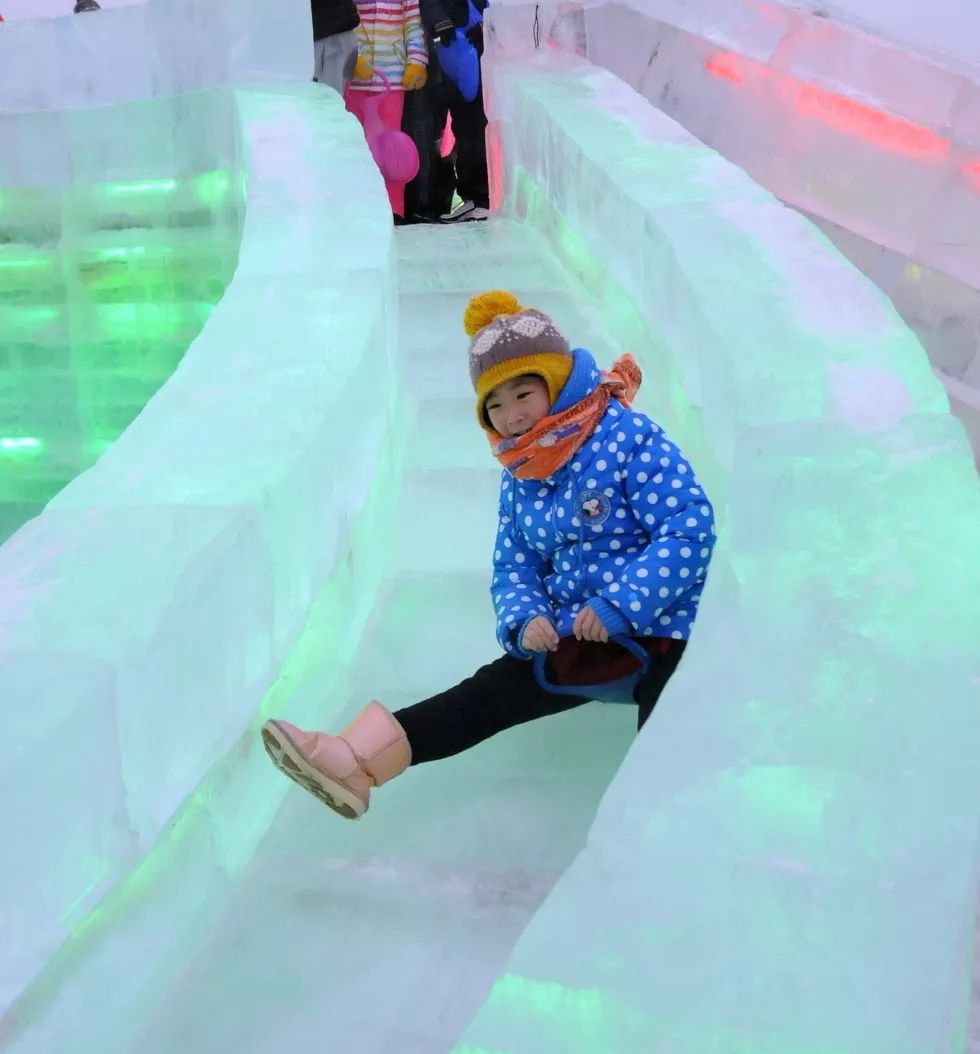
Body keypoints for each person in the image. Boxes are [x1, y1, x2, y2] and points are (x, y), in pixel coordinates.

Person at [261, 290, 716, 820]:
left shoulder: (627, 437)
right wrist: (525, 619)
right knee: (491, 693)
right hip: (581, 634)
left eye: (523, 394)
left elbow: (689, 527)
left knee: (668, 733)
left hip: (670, 627)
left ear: (558, 382)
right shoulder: (522, 474)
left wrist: (625, 602)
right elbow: (515, 563)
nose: (512, 416)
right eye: (494, 405)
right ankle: (354, 761)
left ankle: (662, 836)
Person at [418, 0, 511, 224]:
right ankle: (473, 197)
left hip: (488, 55)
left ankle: (490, 197)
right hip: (454, 54)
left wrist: (487, 28)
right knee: (463, 126)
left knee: (485, 124)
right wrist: (440, 23)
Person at [343, 0, 428, 224]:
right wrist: (353, 60)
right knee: (360, 148)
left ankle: (393, 210)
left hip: (393, 79)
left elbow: (412, 17)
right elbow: (342, 20)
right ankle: (360, 213)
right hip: (357, 78)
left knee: (390, 147)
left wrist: (416, 61)